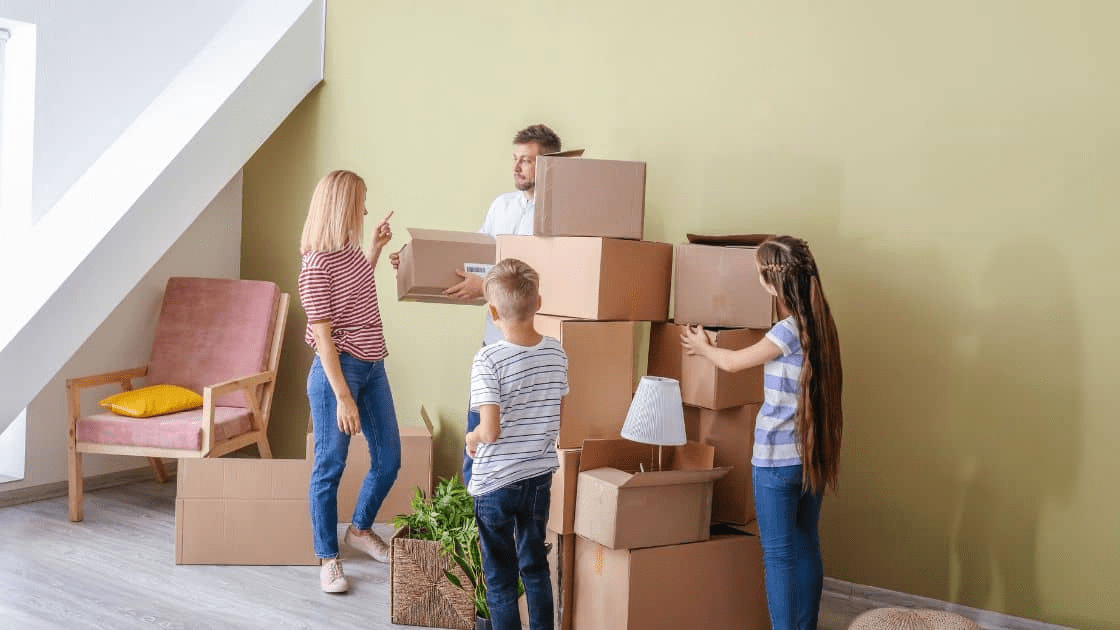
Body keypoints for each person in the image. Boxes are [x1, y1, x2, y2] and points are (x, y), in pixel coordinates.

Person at [681, 235, 843, 630]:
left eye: (758, 274)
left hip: (776, 461)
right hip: (811, 457)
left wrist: (702, 347)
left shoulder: (786, 331)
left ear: (774, 282)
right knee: (806, 543)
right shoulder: (821, 325)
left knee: (778, 555)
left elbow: (735, 363)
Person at [389, 124, 562, 485]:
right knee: (478, 436)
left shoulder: (561, 216)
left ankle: (504, 522)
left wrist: (484, 285)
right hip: (493, 343)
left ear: (549, 165)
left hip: (531, 349)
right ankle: (474, 522)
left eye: (527, 161)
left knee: (515, 442)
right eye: (515, 159)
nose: (516, 167)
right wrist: (410, 263)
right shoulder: (502, 206)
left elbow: (544, 279)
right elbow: (474, 263)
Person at [298, 170, 402, 594]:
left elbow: (356, 290)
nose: (363, 209)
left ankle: (359, 529)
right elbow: (323, 339)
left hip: (373, 366)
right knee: (330, 466)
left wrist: (375, 249)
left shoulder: (349, 251)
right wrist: (344, 398)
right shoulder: (315, 265)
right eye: (359, 201)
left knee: (389, 457)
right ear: (341, 205)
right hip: (336, 372)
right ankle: (328, 558)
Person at [465, 258, 568, 630]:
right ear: (538, 301)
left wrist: (472, 436)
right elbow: (555, 413)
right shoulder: (556, 352)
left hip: (496, 485)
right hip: (538, 477)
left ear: (493, 311)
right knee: (535, 567)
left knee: (500, 579)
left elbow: (489, 431)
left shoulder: (487, 359)